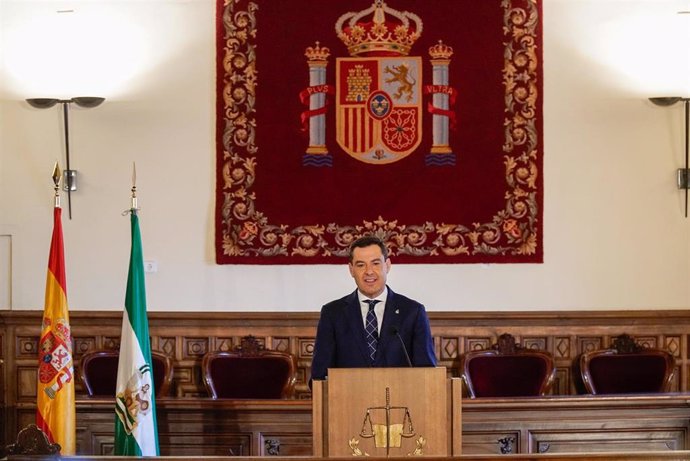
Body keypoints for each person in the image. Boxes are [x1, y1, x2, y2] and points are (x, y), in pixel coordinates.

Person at [310, 235, 437, 384]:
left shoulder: (413, 312)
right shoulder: (333, 313)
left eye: (375, 263)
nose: (369, 271)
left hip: (399, 403)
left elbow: (427, 372)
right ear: (351, 269)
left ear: (387, 265)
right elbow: (319, 376)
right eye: (360, 265)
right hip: (347, 402)